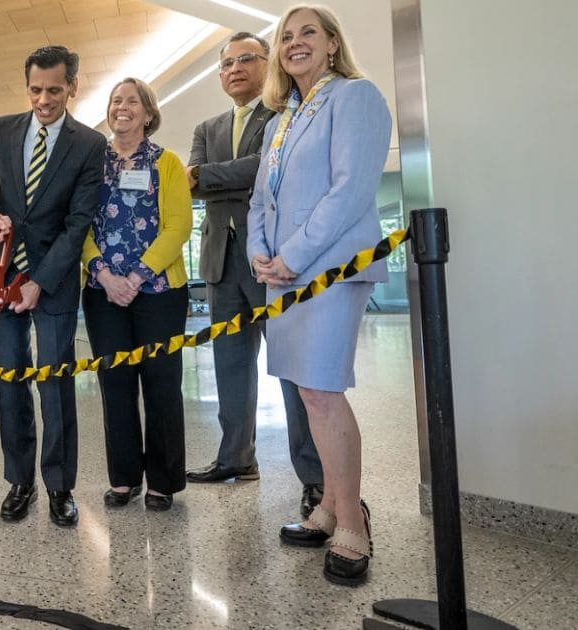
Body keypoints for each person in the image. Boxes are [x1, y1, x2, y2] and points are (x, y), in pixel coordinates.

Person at [247, 4, 391, 586]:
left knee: (324, 392)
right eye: (286, 35)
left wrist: (294, 256)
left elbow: (349, 190)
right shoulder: (283, 118)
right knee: (308, 393)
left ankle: (353, 521)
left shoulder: (355, 97)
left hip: (326, 269)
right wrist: (261, 252)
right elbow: (262, 199)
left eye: (309, 32)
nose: (295, 42)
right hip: (281, 274)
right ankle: (329, 506)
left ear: (333, 43)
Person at [0, 45, 105, 527]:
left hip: (54, 283)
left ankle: (60, 486)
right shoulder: (2, 129)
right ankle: (20, 481)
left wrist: (41, 282)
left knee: (55, 386)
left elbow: (78, 221)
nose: (44, 99)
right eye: (36, 89)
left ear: (73, 87)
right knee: (10, 384)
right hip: (1, 280)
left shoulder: (88, 145)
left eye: (54, 90)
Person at [186, 31, 324, 519]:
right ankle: (235, 459)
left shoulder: (287, 114)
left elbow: (261, 169)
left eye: (246, 59)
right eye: (226, 63)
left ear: (267, 64)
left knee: (291, 369)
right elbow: (197, 181)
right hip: (221, 264)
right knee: (230, 366)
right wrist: (225, 175)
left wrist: (214, 176)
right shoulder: (207, 126)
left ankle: (315, 478)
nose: (235, 68)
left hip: (273, 261)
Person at [81, 78, 192, 512]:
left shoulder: (167, 163)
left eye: (132, 101)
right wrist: (106, 275)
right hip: (101, 290)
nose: (122, 107)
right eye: (115, 100)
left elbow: (179, 226)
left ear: (148, 112)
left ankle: (163, 481)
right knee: (115, 384)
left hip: (160, 291)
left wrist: (137, 276)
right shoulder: (92, 164)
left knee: (162, 384)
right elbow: (81, 226)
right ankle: (123, 477)